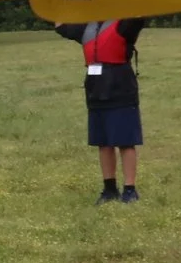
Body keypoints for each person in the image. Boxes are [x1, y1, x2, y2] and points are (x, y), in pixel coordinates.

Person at [54, 17, 147, 202]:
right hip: (96, 89)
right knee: (103, 142)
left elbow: (140, 16)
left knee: (126, 141)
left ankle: (130, 190)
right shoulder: (86, 27)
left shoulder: (124, 24)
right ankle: (109, 189)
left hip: (121, 87)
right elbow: (61, 25)